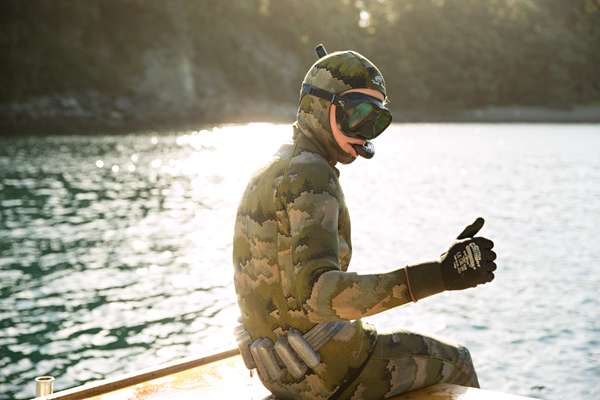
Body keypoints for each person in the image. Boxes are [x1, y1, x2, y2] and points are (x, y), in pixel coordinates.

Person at [232, 45, 497, 400]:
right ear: (320, 107)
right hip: (330, 373)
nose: (364, 131)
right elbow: (319, 294)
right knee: (456, 360)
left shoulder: (270, 168)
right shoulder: (313, 174)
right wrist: (440, 274)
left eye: (376, 121)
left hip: (279, 372)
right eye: (356, 114)